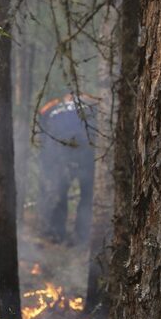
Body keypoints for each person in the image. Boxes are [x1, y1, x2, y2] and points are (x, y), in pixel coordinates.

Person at [36, 93, 95, 245]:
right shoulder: (90, 103)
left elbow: (42, 134)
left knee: (59, 193)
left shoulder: (51, 106)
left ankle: (56, 234)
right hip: (82, 151)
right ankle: (82, 236)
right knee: (86, 195)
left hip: (61, 152)